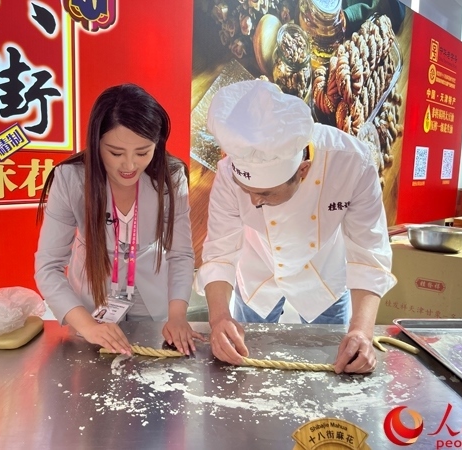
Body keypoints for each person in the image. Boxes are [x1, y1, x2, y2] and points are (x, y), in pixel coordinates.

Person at [194, 80, 396, 373]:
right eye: (245, 189)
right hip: (258, 274)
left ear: (303, 170)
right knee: (245, 371)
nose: (253, 201)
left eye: (265, 194)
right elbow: (219, 252)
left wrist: (362, 332)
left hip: (323, 277)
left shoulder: (351, 162)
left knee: (337, 366)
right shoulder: (229, 172)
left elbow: (369, 252)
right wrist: (219, 319)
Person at [35, 83, 203, 356]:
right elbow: (48, 266)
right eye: (115, 153)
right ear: (96, 142)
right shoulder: (70, 179)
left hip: (151, 294)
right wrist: (87, 326)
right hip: (92, 300)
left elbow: (180, 253)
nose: (129, 165)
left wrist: (177, 315)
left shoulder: (170, 177)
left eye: (143, 152)